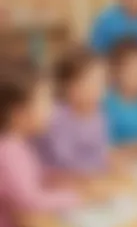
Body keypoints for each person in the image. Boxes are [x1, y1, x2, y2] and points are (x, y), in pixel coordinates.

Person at [0, 62, 82, 227]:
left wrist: (52, 175)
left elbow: (25, 177)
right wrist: (75, 197)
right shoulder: (8, 151)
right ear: (19, 114)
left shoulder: (17, 143)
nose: (53, 109)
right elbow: (30, 202)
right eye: (45, 101)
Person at [36, 46, 110, 176]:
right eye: (90, 81)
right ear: (68, 86)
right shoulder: (56, 118)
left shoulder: (99, 113)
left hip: (94, 182)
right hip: (64, 186)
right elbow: (64, 166)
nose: (98, 88)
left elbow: (100, 155)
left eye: (101, 81)